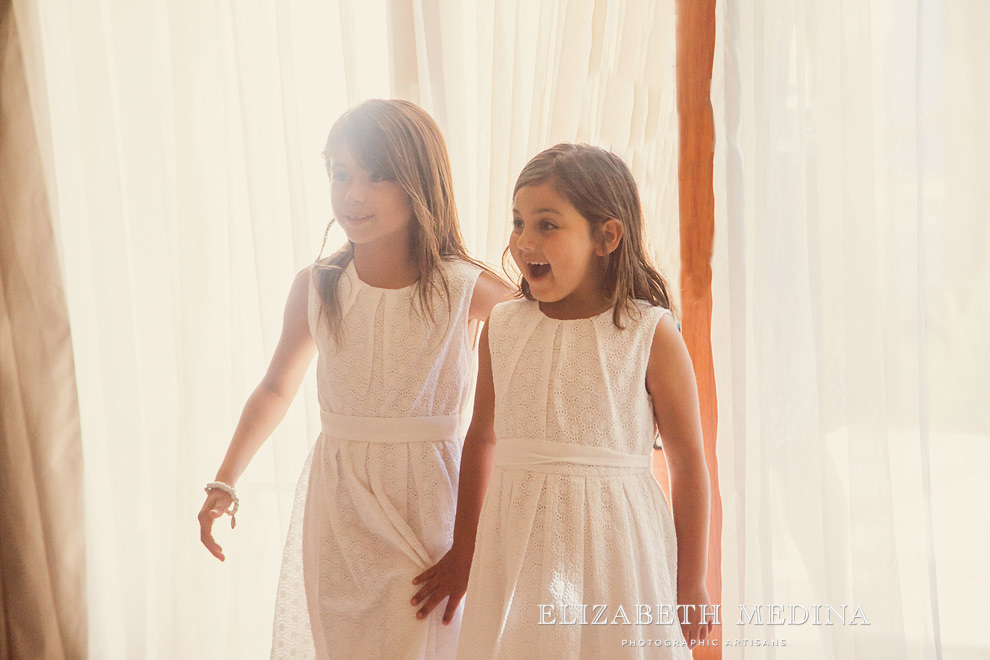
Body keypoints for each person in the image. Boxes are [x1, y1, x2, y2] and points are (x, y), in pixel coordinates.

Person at [197, 99, 511, 659]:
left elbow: (542, 333)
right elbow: (275, 387)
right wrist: (225, 480)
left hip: (429, 505)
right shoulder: (318, 287)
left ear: (421, 182)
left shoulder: (468, 288)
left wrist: (469, 549)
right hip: (339, 509)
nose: (353, 195)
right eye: (341, 174)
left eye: (377, 176)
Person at [410, 143, 713, 658]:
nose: (524, 241)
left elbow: (688, 465)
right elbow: (481, 439)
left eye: (547, 224)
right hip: (517, 545)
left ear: (606, 237)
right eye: (518, 221)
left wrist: (691, 582)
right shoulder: (503, 326)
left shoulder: (649, 333)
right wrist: (464, 550)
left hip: (616, 548)